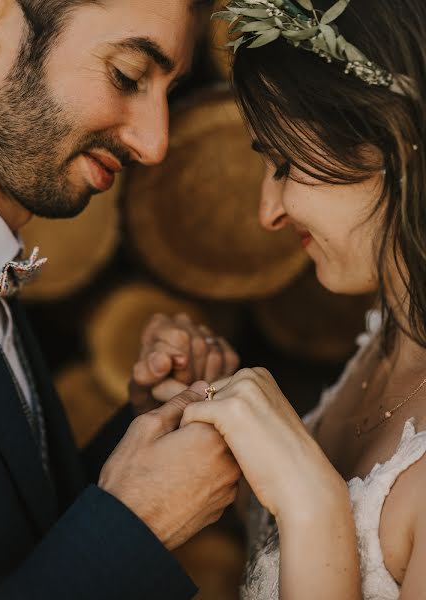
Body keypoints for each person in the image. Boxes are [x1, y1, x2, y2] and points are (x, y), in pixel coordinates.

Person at [0, 1, 242, 598]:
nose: (155, 143)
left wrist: (144, 432)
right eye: (128, 75)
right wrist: (133, 526)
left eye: (168, 91)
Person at [172, 0, 426, 598]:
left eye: (286, 164)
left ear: (396, 142)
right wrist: (222, 423)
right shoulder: (386, 341)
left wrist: (314, 507)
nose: (268, 212)